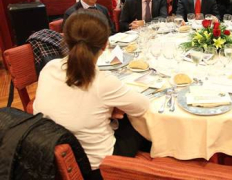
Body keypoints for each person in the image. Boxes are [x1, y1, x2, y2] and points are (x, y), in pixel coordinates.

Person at [33, 10, 150, 179]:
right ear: (105, 45)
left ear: (65, 39)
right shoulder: (103, 81)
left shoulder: (49, 67)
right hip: (97, 166)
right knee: (137, 123)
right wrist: (113, 108)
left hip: (50, 152)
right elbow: (142, 106)